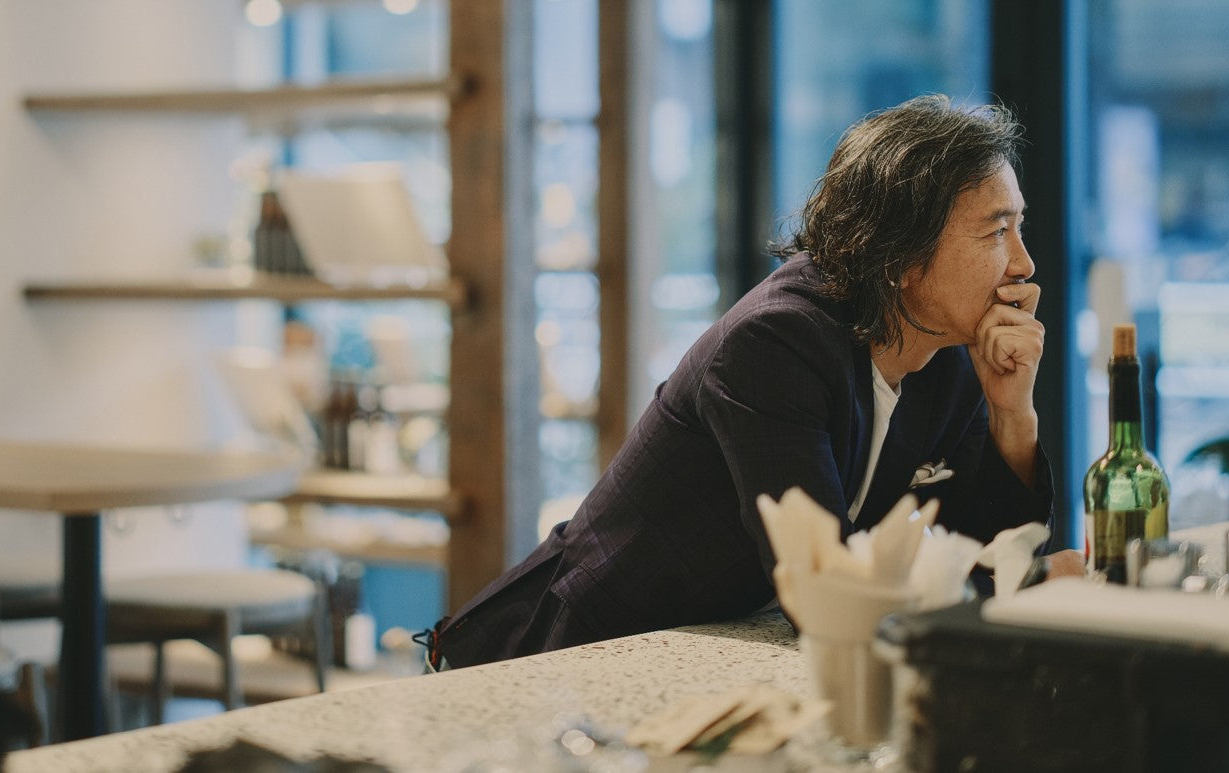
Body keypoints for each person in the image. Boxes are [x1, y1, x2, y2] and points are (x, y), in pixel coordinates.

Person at [426, 94, 1073, 671]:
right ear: (901, 255)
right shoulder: (776, 343)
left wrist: (1011, 411)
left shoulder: (947, 357)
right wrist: (1015, 587)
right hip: (575, 650)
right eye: (996, 230)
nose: (1024, 261)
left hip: (705, 652)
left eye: (1018, 226)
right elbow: (819, 590)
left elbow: (990, 549)